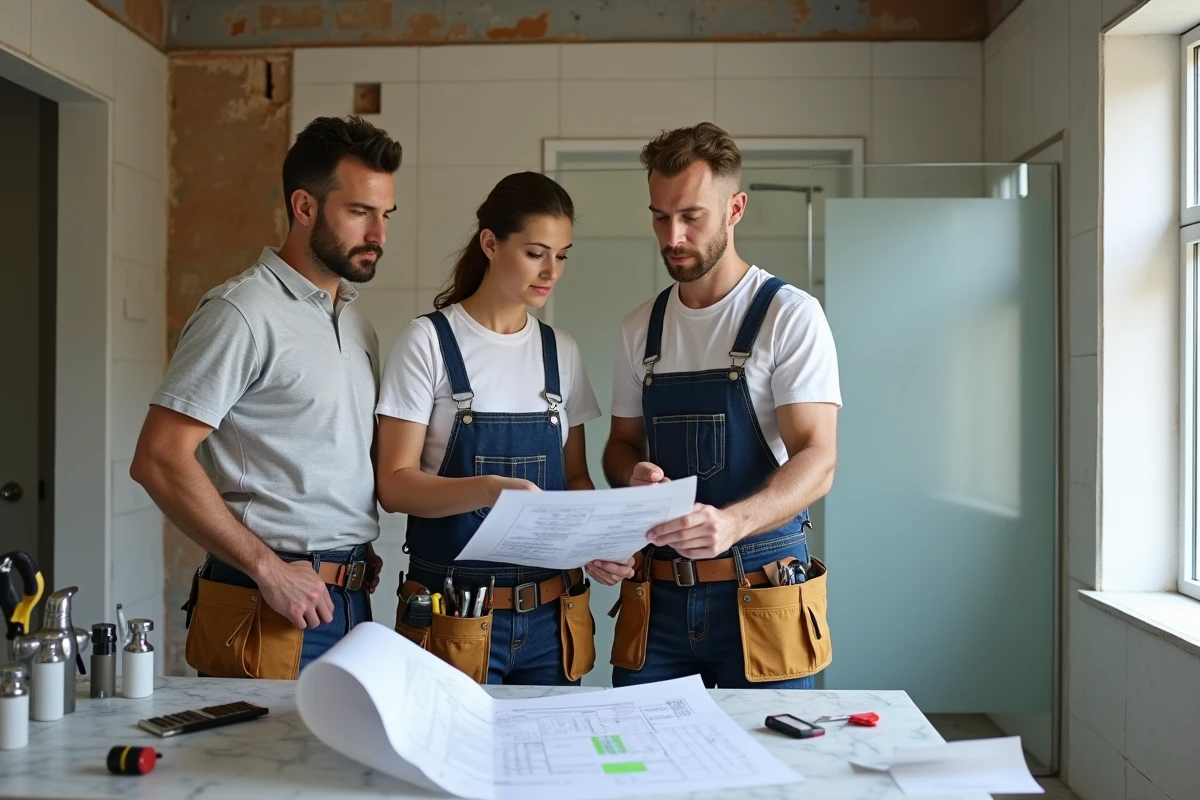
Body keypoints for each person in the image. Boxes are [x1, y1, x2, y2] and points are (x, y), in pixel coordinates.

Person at [129, 116, 401, 678]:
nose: (379, 235)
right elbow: (158, 457)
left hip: (347, 600)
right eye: (359, 213)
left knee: (332, 769)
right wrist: (269, 568)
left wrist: (347, 544)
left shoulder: (355, 320)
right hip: (265, 602)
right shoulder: (242, 313)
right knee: (254, 769)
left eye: (385, 215)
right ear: (304, 208)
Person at [602, 122, 842, 689]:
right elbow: (621, 445)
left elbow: (819, 457)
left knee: (772, 769)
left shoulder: (789, 315)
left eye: (692, 216)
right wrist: (630, 476)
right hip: (657, 601)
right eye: (660, 216)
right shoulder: (642, 327)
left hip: (762, 596)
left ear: (735, 208)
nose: (673, 235)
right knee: (644, 768)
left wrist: (732, 523)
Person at [376, 172, 624, 685]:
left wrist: (598, 538)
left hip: (552, 619)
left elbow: (574, 479)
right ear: (490, 243)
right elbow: (394, 485)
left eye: (562, 255)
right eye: (536, 253)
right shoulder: (426, 342)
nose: (551, 270)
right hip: (452, 615)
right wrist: (492, 491)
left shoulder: (563, 351)